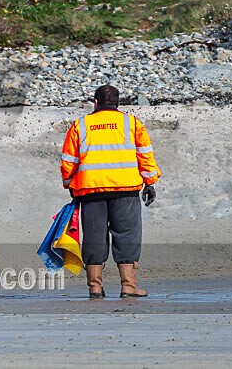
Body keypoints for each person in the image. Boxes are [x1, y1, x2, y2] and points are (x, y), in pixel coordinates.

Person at [60, 85, 160, 299]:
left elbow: (69, 160)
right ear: (117, 103)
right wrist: (150, 183)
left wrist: (70, 184)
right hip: (126, 190)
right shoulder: (131, 123)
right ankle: (128, 286)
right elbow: (145, 155)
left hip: (90, 191)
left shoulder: (80, 124)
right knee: (127, 236)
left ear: (95, 102)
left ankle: (95, 287)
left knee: (94, 237)